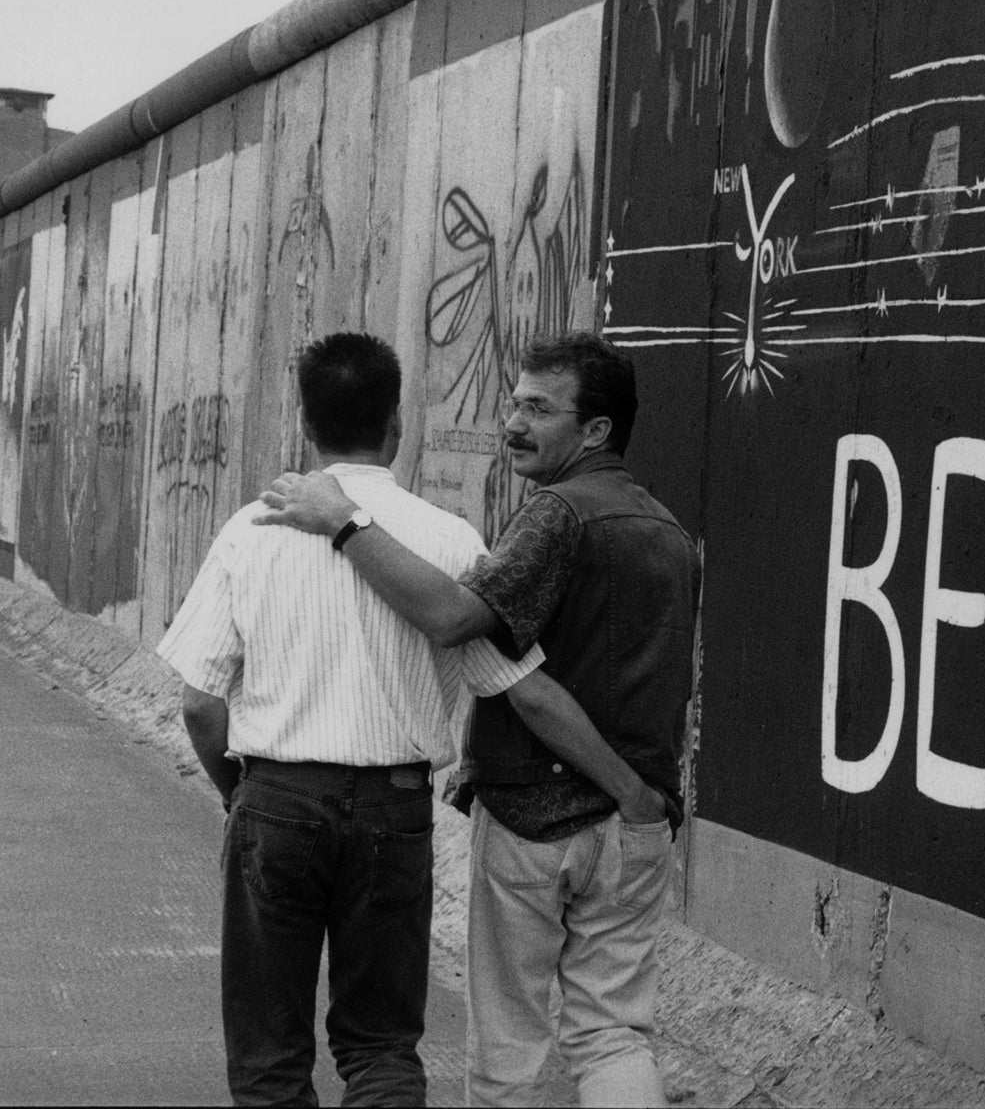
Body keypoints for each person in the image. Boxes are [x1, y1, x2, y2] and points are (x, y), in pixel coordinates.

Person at [256, 332, 699, 1108]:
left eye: (537, 407)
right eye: (512, 401)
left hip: (537, 819)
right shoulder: (668, 532)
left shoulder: (558, 514)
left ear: (595, 431)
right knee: (612, 1034)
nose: (512, 421)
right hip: (638, 825)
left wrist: (345, 524)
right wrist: (638, 799)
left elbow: (461, 623)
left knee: (509, 1046)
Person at [157, 332, 542, 1106]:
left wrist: (241, 796)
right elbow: (509, 683)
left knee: (269, 1052)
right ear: (397, 423)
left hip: (277, 796)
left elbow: (200, 702)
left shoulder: (251, 531)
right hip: (394, 809)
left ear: (305, 422)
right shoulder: (448, 538)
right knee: (380, 1046)